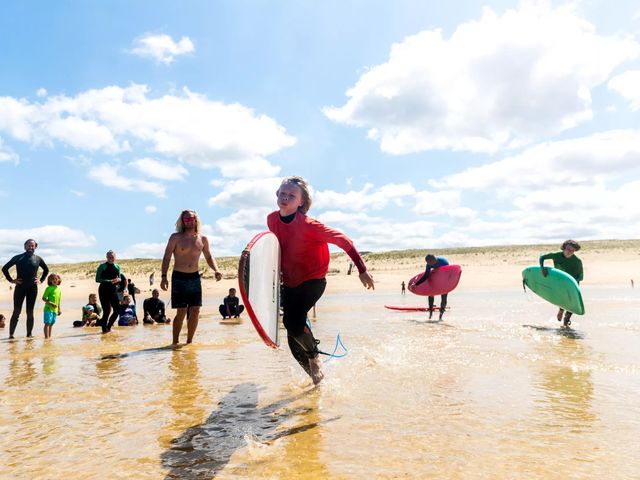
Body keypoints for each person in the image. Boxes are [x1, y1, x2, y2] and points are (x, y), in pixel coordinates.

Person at [267, 176, 375, 385]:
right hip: (289, 281)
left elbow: (344, 241)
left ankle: (315, 357)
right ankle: (317, 382)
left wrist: (361, 270)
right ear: (276, 194)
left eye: (292, 195)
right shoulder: (271, 220)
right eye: (282, 193)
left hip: (313, 280)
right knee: (292, 337)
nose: (285, 198)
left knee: (293, 323)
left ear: (301, 202)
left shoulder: (310, 225)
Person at [161, 210, 223, 344]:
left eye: (191, 218)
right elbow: (166, 257)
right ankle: (175, 342)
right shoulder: (175, 237)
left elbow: (209, 256)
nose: (189, 221)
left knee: (195, 310)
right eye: (186, 219)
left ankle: (189, 342)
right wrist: (164, 276)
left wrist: (216, 270)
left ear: (196, 220)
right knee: (181, 312)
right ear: (182, 221)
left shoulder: (203, 239)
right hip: (179, 277)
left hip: (194, 278)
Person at [2, 239, 49, 339]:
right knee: (16, 311)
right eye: (28, 245)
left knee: (30, 312)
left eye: (32, 246)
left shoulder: (38, 259)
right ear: (24, 246)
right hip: (20, 288)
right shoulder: (18, 258)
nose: (30, 247)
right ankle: (11, 335)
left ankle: (29, 335)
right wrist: (11, 280)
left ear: (35, 247)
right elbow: (4, 268)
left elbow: (46, 269)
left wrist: (41, 280)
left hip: (32, 289)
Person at [540, 239, 584, 327]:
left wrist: (574, 281)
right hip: (560, 281)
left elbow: (581, 276)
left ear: (575, 250)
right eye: (568, 249)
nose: (569, 251)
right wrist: (542, 268)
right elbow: (542, 257)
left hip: (572, 283)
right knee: (562, 297)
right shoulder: (556, 255)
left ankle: (566, 321)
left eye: (572, 250)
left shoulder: (577, 261)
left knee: (571, 302)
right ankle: (561, 310)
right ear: (564, 248)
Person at [411, 254, 449, 321]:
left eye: (429, 263)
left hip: (444, 280)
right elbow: (426, 276)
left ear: (434, 260)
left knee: (444, 297)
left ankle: (441, 316)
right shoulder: (429, 264)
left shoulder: (444, 262)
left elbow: (448, 274)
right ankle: (430, 314)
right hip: (435, 279)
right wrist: (416, 284)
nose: (428, 264)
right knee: (430, 295)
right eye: (427, 263)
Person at [95, 250, 123, 333]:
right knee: (107, 311)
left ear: (115, 257)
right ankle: (104, 330)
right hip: (103, 290)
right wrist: (109, 281)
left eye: (112, 257)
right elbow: (97, 279)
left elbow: (120, 277)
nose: (111, 259)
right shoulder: (102, 266)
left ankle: (109, 326)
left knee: (117, 310)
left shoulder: (117, 266)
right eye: (109, 257)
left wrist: (118, 279)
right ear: (107, 257)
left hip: (113, 290)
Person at [42, 273, 62, 339]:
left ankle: (49, 337)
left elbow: (59, 300)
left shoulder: (59, 289)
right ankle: (46, 338)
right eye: (52, 279)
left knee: (52, 324)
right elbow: (43, 298)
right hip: (48, 309)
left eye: (56, 279)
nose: (54, 280)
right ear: (50, 281)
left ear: (58, 280)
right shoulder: (48, 288)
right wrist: (51, 303)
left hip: (55, 310)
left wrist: (59, 309)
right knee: (47, 323)